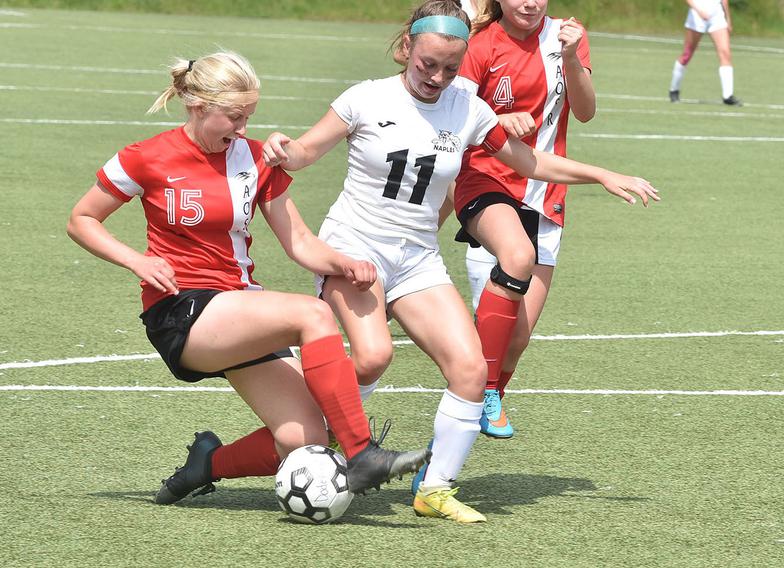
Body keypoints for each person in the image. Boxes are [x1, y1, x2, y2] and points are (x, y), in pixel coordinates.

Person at [262, 0, 658, 523]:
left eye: (451, 68)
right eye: (428, 64)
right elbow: (305, 153)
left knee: (471, 369)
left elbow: (526, 159)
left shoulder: (467, 106)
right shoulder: (365, 97)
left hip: (418, 256)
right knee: (375, 356)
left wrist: (603, 174)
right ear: (407, 48)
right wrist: (278, 149)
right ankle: (322, 438)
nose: (438, 77)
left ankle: (435, 490)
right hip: (356, 246)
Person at [65, 51, 430, 506]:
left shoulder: (257, 159)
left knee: (306, 438)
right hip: (183, 310)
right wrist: (137, 261)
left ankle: (206, 464)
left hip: (240, 308)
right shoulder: (146, 157)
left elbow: (298, 240)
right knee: (313, 314)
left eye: (249, 117)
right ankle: (363, 455)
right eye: (234, 117)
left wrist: (341, 262)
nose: (242, 129)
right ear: (198, 106)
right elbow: (82, 220)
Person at [447, 0, 599, 440]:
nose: (529, 2)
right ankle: (474, 394)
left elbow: (585, 112)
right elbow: (453, 111)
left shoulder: (568, 36)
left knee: (518, 337)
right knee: (512, 271)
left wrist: (571, 57)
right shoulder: (481, 44)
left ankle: (483, 391)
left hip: (545, 193)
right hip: (488, 183)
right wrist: (495, 119)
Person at [668, 0, 742, 105]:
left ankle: (728, 96)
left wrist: (728, 19)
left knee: (725, 53)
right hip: (697, 16)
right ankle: (674, 90)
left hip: (716, 16)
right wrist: (699, 11)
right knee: (686, 55)